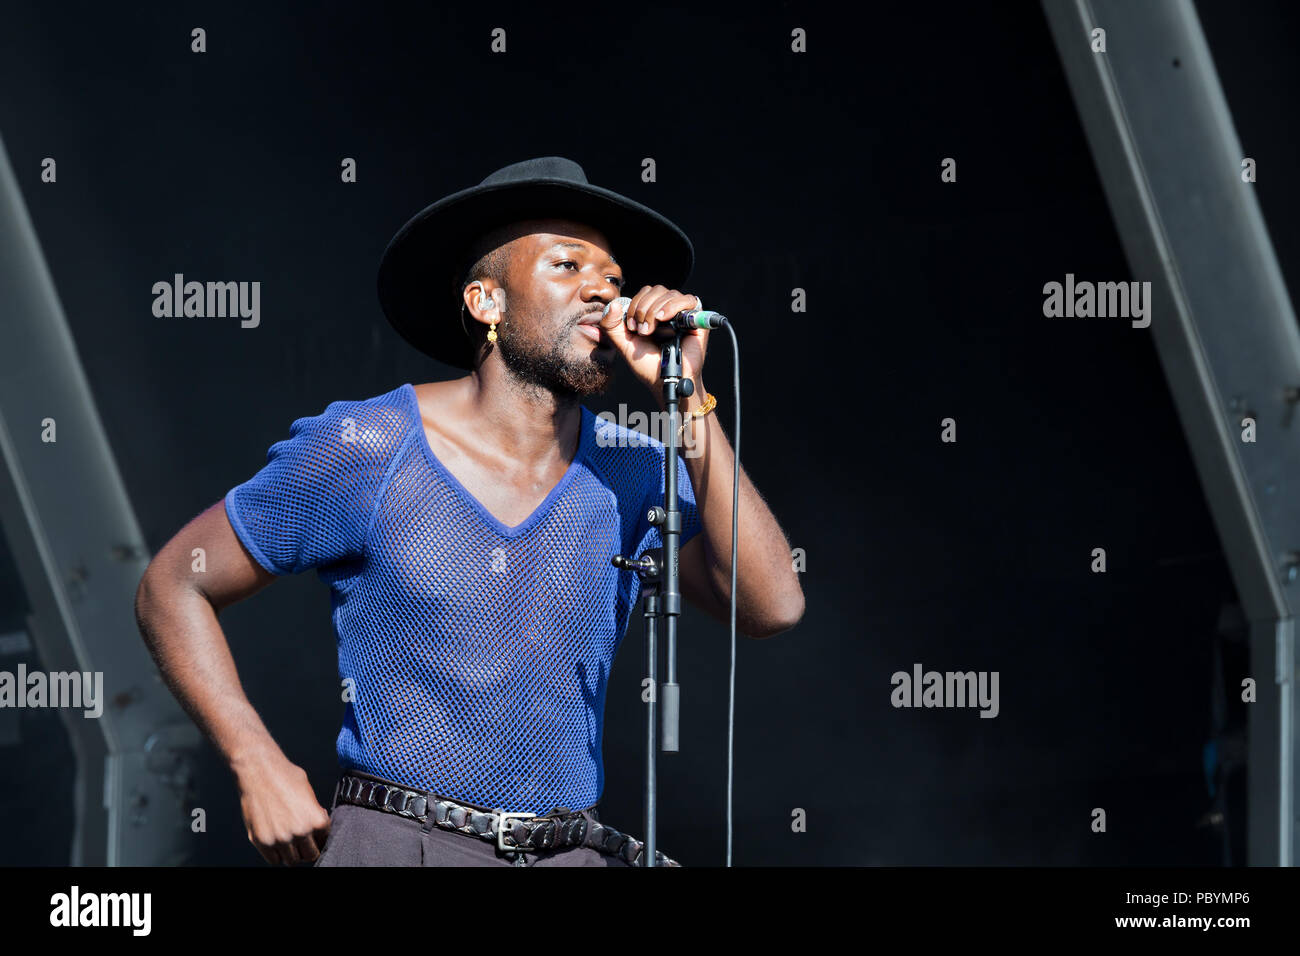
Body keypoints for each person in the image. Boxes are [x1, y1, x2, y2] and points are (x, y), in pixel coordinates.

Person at [134, 156, 805, 867]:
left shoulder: (633, 469)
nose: (602, 293)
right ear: (487, 302)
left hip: (569, 851)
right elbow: (173, 584)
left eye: (612, 278)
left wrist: (688, 395)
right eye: (566, 265)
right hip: (399, 845)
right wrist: (254, 760)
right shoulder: (369, 445)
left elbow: (770, 603)